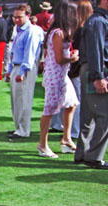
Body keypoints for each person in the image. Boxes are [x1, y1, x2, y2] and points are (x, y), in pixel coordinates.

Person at [37, 0, 80, 158]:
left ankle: (66, 139)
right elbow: (59, 58)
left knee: (72, 103)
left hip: (61, 75)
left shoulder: (60, 32)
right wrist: (73, 58)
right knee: (49, 110)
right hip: (56, 76)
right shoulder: (58, 33)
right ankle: (42, 144)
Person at [74, 0, 108, 169]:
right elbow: (97, 51)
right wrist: (99, 77)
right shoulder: (98, 22)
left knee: (88, 115)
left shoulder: (96, 21)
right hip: (94, 70)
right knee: (103, 115)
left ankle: (83, 153)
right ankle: (94, 156)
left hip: (91, 69)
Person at [6, 4, 44, 140]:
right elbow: (14, 51)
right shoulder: (18, 30)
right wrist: (10, 70)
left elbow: (30, 53)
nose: (16, 20)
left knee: (23, 99)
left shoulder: (31, 31)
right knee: (16, 99)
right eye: (14, 17)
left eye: (19, 17)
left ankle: (23, 129)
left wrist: (22, 72)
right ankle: (18, 127)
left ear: (28, 16)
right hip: (17, 65)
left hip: (25, 68)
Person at [68, 0, 94, 140]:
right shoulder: (87, 27)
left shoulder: (81, 29)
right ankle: (77, 130)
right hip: (83, 67)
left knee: (77, 101)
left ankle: (76, 130)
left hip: (79, 68)